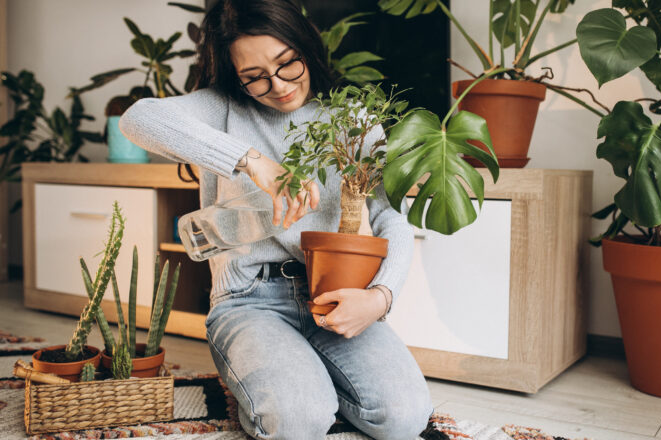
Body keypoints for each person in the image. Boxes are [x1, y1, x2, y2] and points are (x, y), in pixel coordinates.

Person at [119, 0, 432, 438]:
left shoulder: (354, 120)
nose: (279, 86)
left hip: (336, 294)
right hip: (249, 298)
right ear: (235, 76)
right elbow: (138, 119)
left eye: (288, 64)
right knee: (297, 420)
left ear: (305, 46)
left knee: (404, 418)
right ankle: (289, 383)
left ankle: (303, 376)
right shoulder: (221, 108)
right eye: (255, 77)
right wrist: (251, 161)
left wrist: (380, 298)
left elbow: (389, 217)